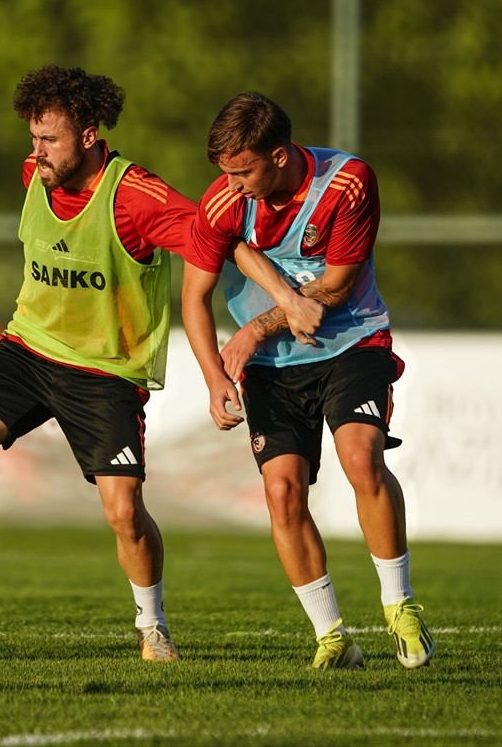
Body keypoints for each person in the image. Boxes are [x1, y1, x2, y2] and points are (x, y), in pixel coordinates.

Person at [0, 66, 296, 663]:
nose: (36, 151)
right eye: (32, 137)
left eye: (49, 139)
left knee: (124, 512)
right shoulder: (35, 176)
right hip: (28, 347)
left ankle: (152, 628)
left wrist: (287, 297)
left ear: (91, 134)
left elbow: (218, 238)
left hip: (105, 373)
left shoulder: (136, 199)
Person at [181, 91, 435, 670]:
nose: (231, 185)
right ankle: (334, 638)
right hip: (274, 369)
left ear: (278, 155)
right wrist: (214, 375)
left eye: (242, 171)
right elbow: (193, 296)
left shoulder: (346, 183)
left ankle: (400, 604)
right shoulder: (225, 197)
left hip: (352, 342)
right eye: (224, 173)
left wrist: (251, 332)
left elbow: (340, 284)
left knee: (361, 460)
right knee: (282, 492)